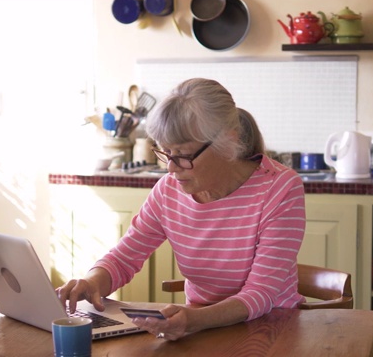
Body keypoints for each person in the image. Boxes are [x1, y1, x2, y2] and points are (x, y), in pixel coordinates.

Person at [57, 78, 306, 341]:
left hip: (271, 329)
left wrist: (195, 320)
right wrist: (92, 282)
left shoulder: (280, 188)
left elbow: (261, 293)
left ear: (227, 142)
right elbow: (123, 258)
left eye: (183, 155)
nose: (171, 168)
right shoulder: (168, 190)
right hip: (199, 329)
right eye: (166, 152)